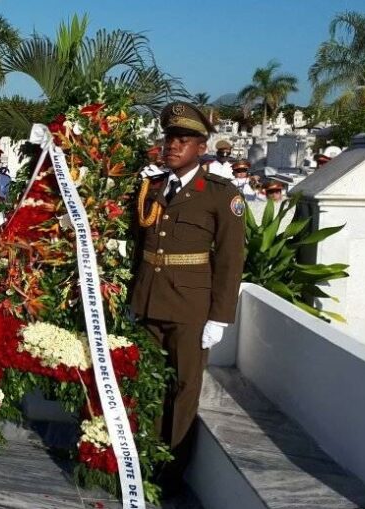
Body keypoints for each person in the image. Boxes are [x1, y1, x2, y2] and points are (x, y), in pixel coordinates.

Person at [130, 101, 245, 491]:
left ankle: (170, 470)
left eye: (183, 140)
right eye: (169, 138)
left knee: (182, 388)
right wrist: (133, 297)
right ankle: (141, 454)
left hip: (189, 308)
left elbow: (230, 259)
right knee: (147, 381)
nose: (172, 146)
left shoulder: (219, 194)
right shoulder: (154, 187)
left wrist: (220, 317)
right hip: (149, 301)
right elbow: (139, 248)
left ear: (201, 147)